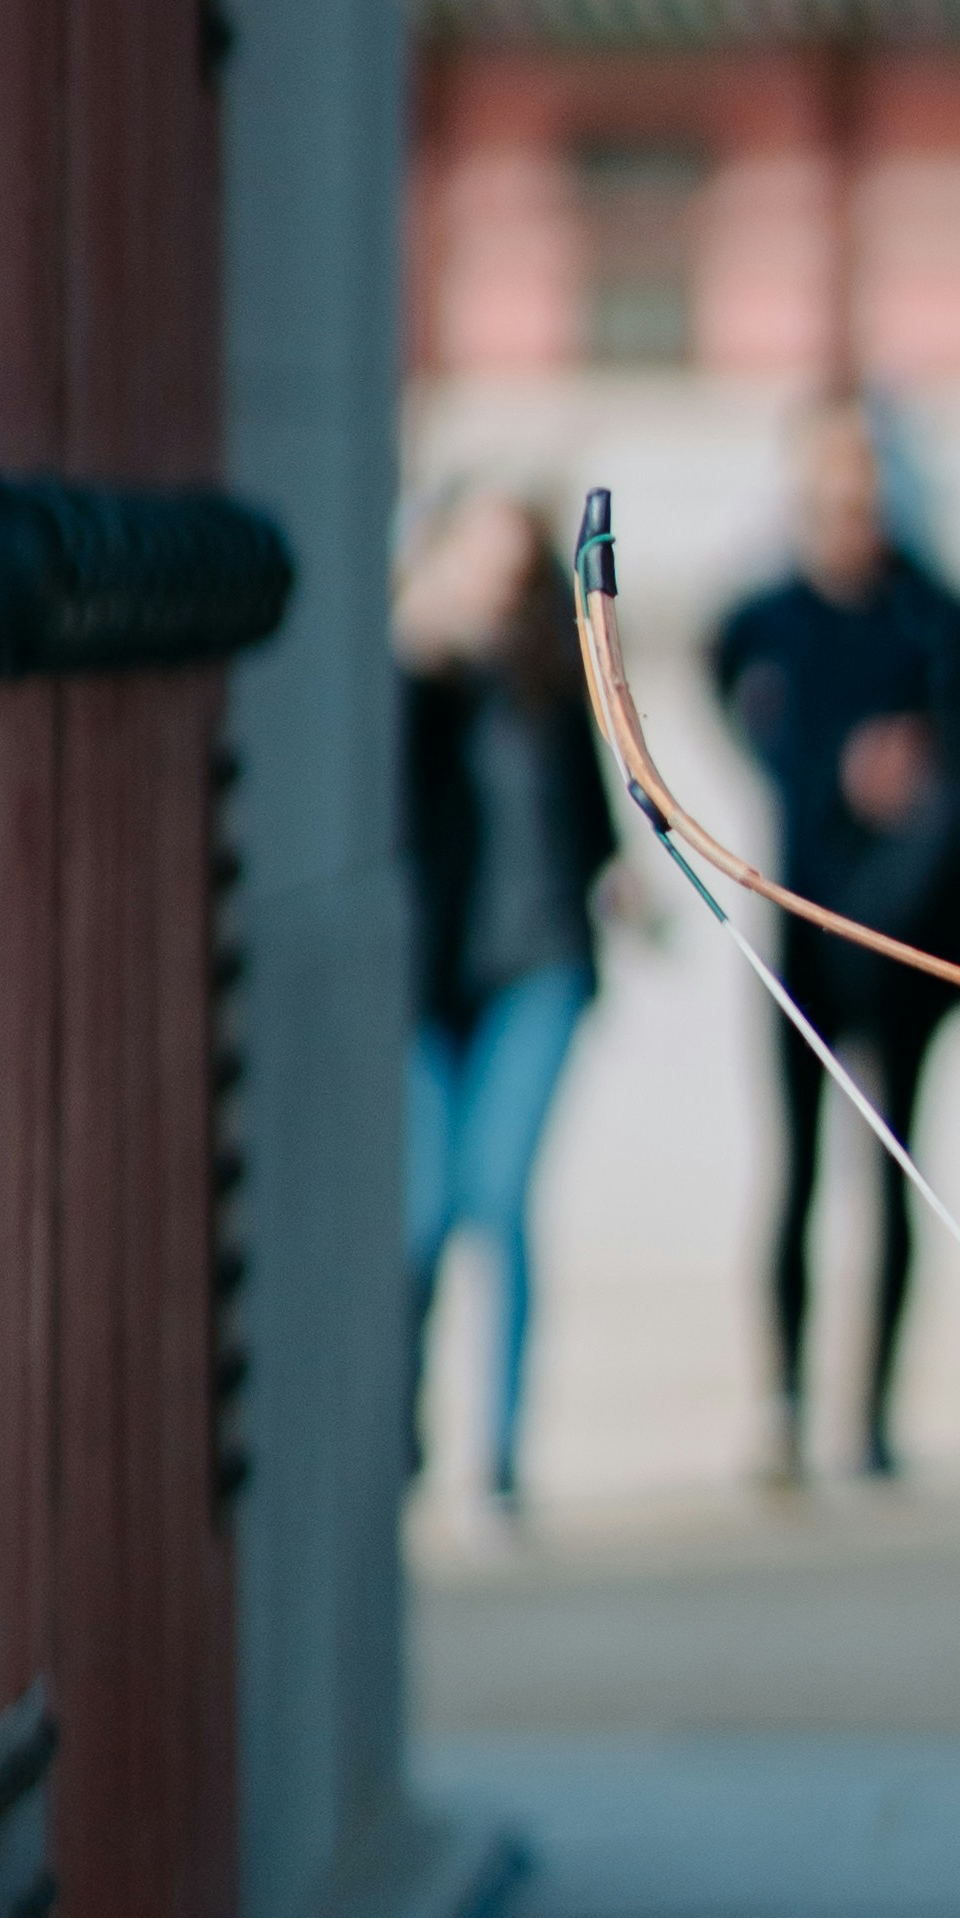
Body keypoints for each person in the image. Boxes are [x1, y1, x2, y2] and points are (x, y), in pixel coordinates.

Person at [710, 402, 960, 1478]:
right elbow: (740, 706)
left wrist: (924, 760)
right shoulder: (766, 618)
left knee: (896, 1173)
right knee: (795, 1175)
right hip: (804, 930)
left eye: (862, 493)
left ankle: (870, 1419)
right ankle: (784, 1404)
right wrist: (818, 769)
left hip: (908, 942)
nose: (848, 515)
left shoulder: (940, 621)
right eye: (827, 496)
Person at [397, 485, 624, 1511]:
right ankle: (404, 1434)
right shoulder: (411, 680)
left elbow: (592, 823)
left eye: (515, 568)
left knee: (498, 1199)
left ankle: (497, 1457)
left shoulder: (549, 677)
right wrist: (418, 641)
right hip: (427, 984)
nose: (498, 586)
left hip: (537, 968)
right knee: (421, 1213)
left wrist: (622, 891)